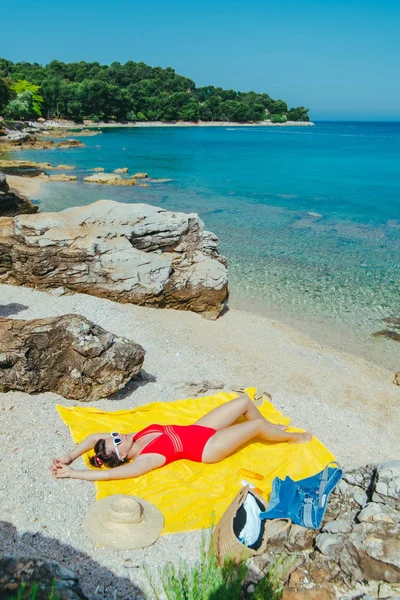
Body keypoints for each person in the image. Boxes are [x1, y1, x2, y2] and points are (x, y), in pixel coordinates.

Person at [51, 394, 312, 482]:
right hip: (208, 448)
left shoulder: (132, 438)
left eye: (114, 436)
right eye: (116, 441)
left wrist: (69, 456)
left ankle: (270, 427)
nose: (118, 435)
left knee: (244, 401)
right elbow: (109, 475)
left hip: (199, 428)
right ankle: (290, 438)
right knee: (254, 426)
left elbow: (92, 437)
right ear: (121, 455)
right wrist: (72, 473)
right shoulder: (145, 459)